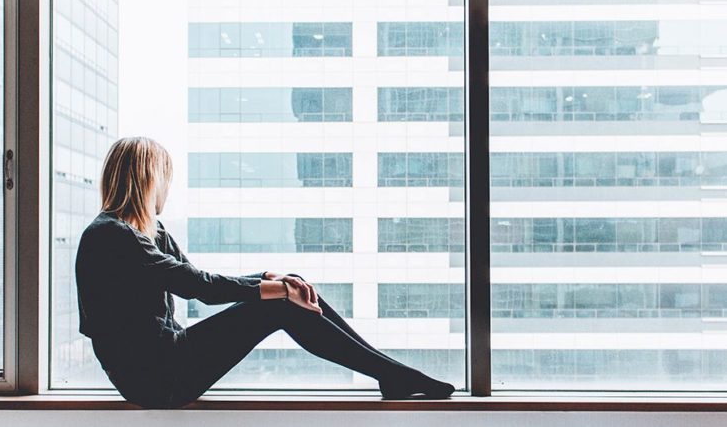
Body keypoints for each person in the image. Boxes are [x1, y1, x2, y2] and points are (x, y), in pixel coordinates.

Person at [75, 136, 455, 409]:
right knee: (281, 303)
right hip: (156, 378)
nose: (168, 189)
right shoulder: (110, 236)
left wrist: (273, 278)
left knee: (288, 287)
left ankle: (388, 372)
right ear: (148, 180)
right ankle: (390, 373)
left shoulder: (151, 232)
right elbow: (197, 287)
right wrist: (275, 289)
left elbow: (194, 276)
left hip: (167, 362)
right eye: (166, 179)